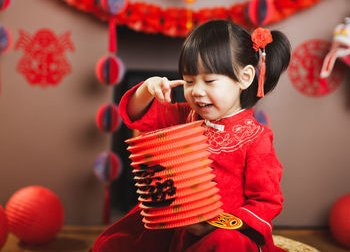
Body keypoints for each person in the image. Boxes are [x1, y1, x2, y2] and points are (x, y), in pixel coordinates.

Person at [91, 19, 291, 252]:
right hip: (177, 225)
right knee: (118, 242)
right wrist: (147, 88)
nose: (196, 91)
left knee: (228, 245)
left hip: (225, 232)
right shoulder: (185, 115)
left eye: (209, 81)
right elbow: (138, 115)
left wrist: (218, 225)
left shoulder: (256, 138)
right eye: (188, 81)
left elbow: (266, 201)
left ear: (244, 78)